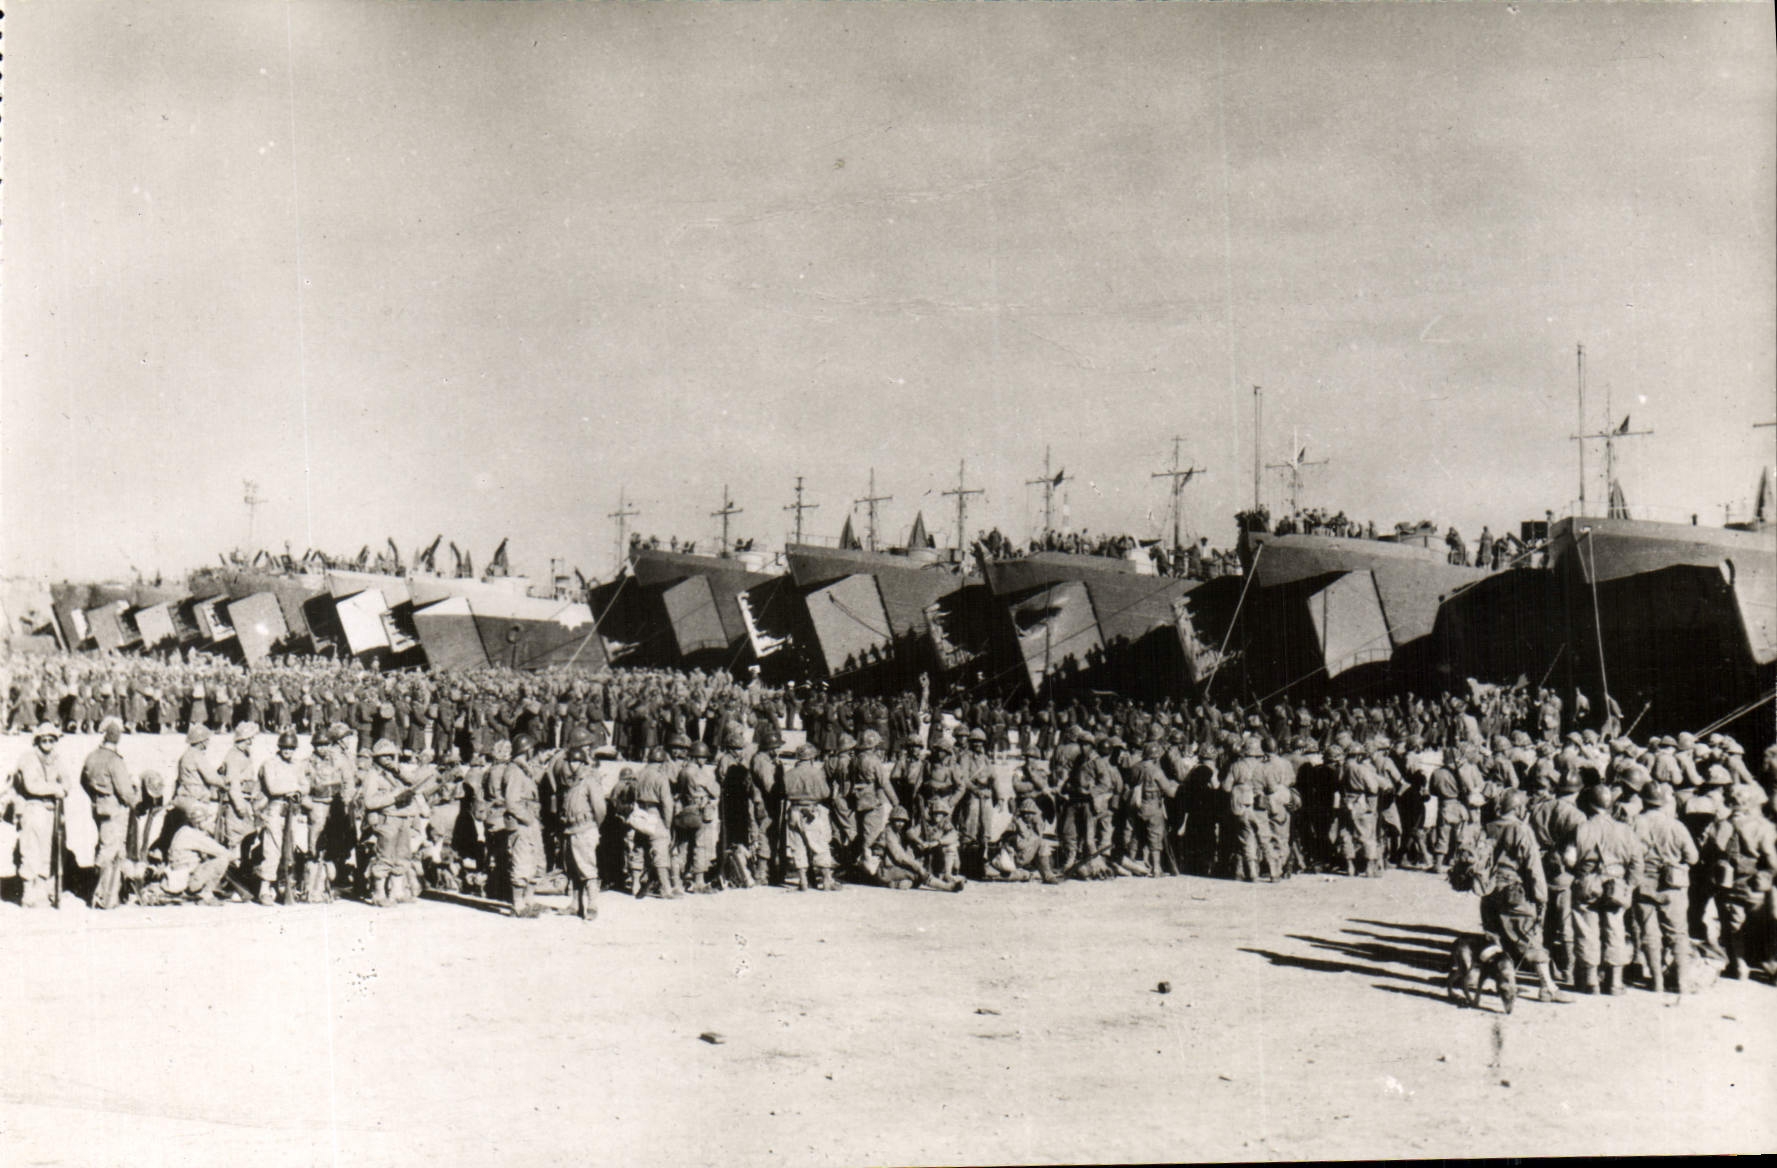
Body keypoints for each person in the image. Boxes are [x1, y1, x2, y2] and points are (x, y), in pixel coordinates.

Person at [1477, 790, 1570, 1004]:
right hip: (1514, 892)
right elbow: (1533, 867)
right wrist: (1540, 897)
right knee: (1529, 936)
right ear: (1519, 809)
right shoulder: (1522, 830)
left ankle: (1498, 981)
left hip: (1489, 890)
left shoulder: (1488, 827)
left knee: (1496, 937)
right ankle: (1548, 987)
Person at [1567, 784, 1644, 995]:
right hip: (1617, 883)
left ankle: (1591, 982)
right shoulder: (1625, 830)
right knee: (1616, 930)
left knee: (1586, 929)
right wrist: (1628, 886)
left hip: (1588, 882)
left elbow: (1569, 859)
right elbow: (1637, 863)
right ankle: (1615, 983)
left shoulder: (1581, 828)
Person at [1631, 782, 1700, 993]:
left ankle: (1657, 982)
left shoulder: (1634, 823)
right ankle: (1682, 982)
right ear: (1664, 803)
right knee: (1678, 934)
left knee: (1649, 933)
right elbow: (1693, 858)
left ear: (1643, 800)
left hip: (1644, 883)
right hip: (1673, 886)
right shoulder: (1676, 826)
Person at [1704, 783, 1777, 981]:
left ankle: (1739, 966)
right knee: (1766, 925)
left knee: (1732, 924)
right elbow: (1772, 860)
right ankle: (1771, 966)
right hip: (1758, 883)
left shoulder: (1721, 824)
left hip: (1730, 881)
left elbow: (1711, 849)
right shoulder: (1764, 827)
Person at [359, 738, 433, 907]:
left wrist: (398, 769)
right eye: (383, 756)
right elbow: (369, 802)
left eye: (390, 755)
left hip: (404, 817)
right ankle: (379, 894)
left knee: (402, 856)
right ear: (376, 758)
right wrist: (394, 797)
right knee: (385, 856)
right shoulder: (373, 775)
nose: (388, 759)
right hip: (387, 818)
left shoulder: (398, 772)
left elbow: (413, 781)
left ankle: (397, 892)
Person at [81, 717, 140, 910]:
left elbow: (84, 781)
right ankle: (103, 896)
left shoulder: (92, 756)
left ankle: (108, 894)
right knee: (111, 850)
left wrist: (96, 795)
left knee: (105, 845)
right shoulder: (114, 760)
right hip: (115, 808)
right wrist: (135, 800)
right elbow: (124, 790)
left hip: (98, 806)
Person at [10, 723, 69, 907]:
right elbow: (31, 785)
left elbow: (66, 779)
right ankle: (28, 893)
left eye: (52, 740)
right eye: (44, 739)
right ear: (37, 740)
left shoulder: (56, 758)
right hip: (32, 808)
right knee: (30, 850)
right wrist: (55, 789)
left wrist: (63, 788)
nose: (48, 743)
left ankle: (42, 889)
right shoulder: (28, 759)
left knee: (48, 851)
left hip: (51, 810)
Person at [556, 727, 607, 921]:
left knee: (587, 869)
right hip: (570, 829)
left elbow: (600, 808)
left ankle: (592, 905)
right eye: (570, 761)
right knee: (573, 869)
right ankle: (575, 904)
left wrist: (594, 826)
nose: (572, 764)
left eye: (576, 761)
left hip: (585, 829)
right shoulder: (570, 782)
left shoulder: (589, 780)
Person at [255, 731, 310, 905]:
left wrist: (295, 790)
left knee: (289, 850)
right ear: (279, 747)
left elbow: (306, 786)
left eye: (291, 748)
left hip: (292, 810)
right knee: (273, 848)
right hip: (275, 808)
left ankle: (281, 885)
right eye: (285, 747)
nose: (288, 751)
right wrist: (293, 789)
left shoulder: (298, 765)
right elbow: (272, 788)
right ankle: (264, 889)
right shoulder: (270, 764)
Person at [781, 742, 836, 891]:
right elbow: (825, 793)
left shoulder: (789, 774)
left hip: (794, 811)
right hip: (811, 812)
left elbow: (784, 792)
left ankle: (803, 881)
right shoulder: (817, 773)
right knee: (819, 845)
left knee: (797, 847)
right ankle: (826, 880)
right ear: (811, 758)